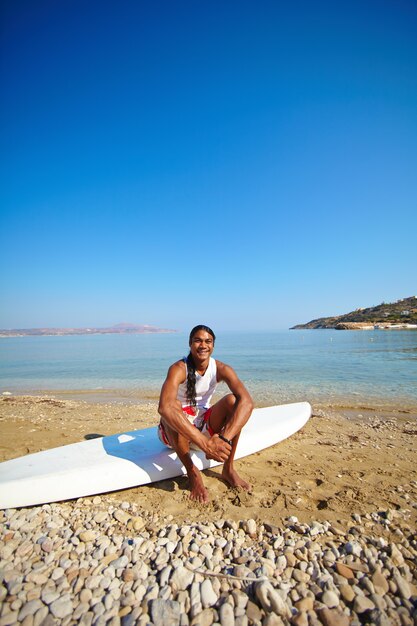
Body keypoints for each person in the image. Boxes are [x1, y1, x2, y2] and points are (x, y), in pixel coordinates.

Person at [158, 324, 253, 503]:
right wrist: (206, 446)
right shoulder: (178, 368)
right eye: (198, 341)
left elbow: (247, 402)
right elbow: (164, 408)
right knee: (173, 406)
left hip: (203, 424)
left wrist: (223, 439)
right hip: (176, 431)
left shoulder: (221, 368)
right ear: (190, 344)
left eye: (208, 341)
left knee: (234, 402)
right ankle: (193, 474)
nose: (203, 345)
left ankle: (228, 468)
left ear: (213, 346)